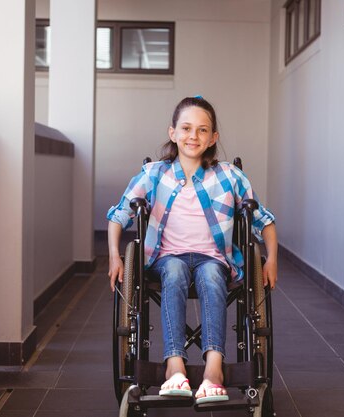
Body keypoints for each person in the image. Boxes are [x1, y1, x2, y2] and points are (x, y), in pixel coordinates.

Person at [107, 96, 277, 404]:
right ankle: (175, 365)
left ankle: (214, 369)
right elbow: (119, 215)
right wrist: (114, 256)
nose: (193, 136)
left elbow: (263, 220)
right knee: (173, 270)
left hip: (214, 258)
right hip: (166, 259)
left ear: (213, 138)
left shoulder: (228, 175)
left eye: (202, 130)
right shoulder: (154, 174)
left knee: (212, 275)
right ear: (173, 132)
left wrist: (271, 260)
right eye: (186, 128)